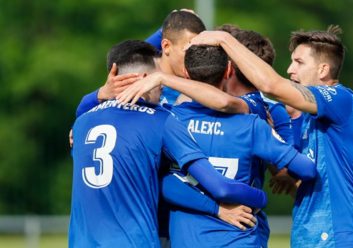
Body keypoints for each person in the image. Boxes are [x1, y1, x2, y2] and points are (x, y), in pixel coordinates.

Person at [188, 26, 353, 247]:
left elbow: (271, 86)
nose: (290, 69)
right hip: (313, 234)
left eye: (299, 62)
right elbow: (304, 178)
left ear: (323, 69)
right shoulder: (312, 119)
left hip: (339, 235)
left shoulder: (341, 98)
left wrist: (224, 39)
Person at [69, 40, 267, 247]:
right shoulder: (161, 120)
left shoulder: (82, 123)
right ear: (145, 80)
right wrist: (259, 199)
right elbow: (218, 186)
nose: (162, 86)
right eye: (158, 78)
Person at [117, 44, 316, 248]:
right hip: (240, 239)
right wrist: (261, 197)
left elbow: (160, 183)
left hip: (188, 241)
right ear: (228, 72)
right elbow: (306, 169)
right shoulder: (252, 124)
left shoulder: (167, 120)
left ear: (185, 74)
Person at [75, 10, 206, 118]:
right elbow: (82, 113)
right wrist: (102, 93)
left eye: (200, 50)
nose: (195, 58)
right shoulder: (136, 74)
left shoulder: (201, 81)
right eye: (188, 51)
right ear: (166, 45)